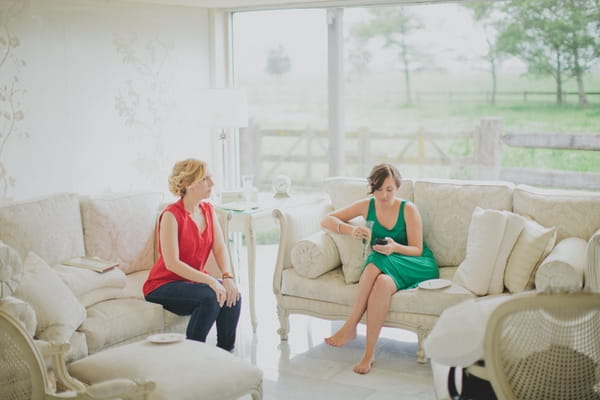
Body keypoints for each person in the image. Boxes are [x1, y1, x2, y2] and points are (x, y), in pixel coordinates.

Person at [322, 163, 438, 374]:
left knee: (376, 258)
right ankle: (369, 353)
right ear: (372, 188)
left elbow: (417, 249)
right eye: (379, 189)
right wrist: (351, 229)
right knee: (382, 283)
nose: (384, 195)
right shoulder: (367, 205)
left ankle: (351, 324)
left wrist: (394, 247)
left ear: (397, 188)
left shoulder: (408, 209)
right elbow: (327, 220)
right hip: (388, 267)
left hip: (417, 263)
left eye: (389, 189)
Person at [143, 158, 241, 351]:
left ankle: (225, 353)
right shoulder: (171, 215)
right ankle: (192, 354)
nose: (211, 183)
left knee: (233, 295)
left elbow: (220, 247)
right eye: (205, 178)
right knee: (210, 296)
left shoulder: (208, 210)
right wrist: (211, 281)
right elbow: (172, 263)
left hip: (192, 283)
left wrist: (227, 278)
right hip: (163, 285)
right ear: (188, 183)